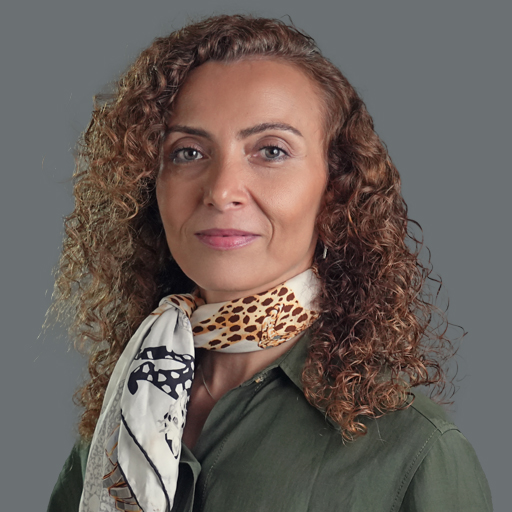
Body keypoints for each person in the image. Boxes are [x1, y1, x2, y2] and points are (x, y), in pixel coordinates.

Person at [46, 14, 492, 512]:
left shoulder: (416, 454)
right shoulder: (117, 423)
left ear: (335, 188)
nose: (221, 190)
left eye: (271, 151)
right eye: (188, 152)